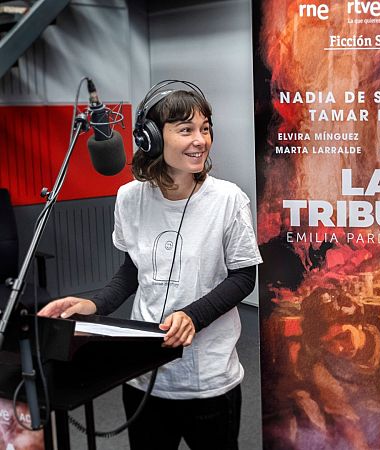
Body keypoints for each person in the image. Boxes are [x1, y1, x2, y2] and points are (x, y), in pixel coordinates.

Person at [39, 82, 262, 450]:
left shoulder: (228, 200)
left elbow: (243, 277)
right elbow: (132, 270)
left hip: (208, 379)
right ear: (151, 138)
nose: (201, 140)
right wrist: (95, 305)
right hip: (142, 375)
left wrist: (193, 316)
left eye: (205, 128)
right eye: (186, 129)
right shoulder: (129, 198)